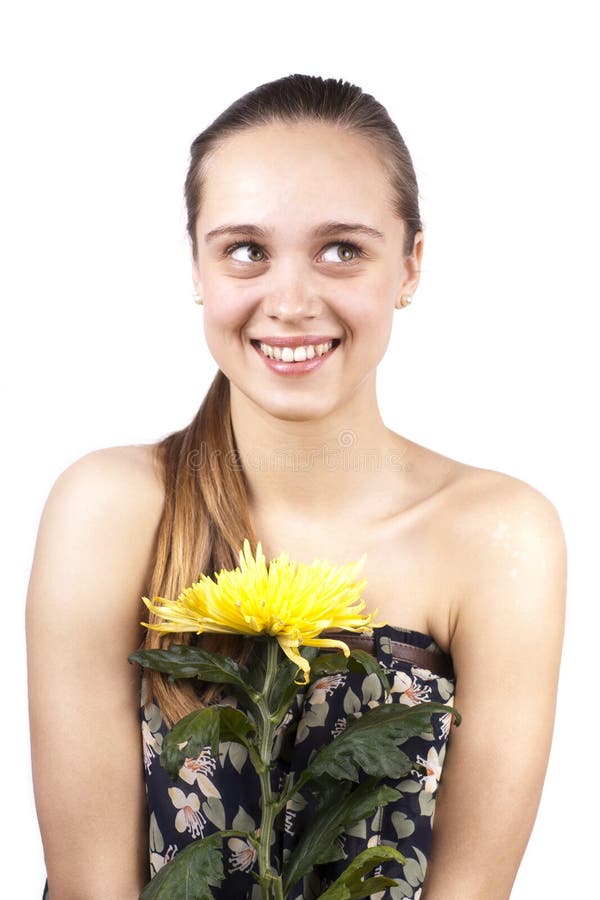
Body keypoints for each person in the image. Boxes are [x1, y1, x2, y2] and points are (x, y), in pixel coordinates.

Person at [26, 73, 566, 900]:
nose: (290, 300)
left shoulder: (498, 536)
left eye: (341, 249)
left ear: (411, 266)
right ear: (199, 268)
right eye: (247, 249)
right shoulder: (108, 511)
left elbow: (473, 887)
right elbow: (89, 886)